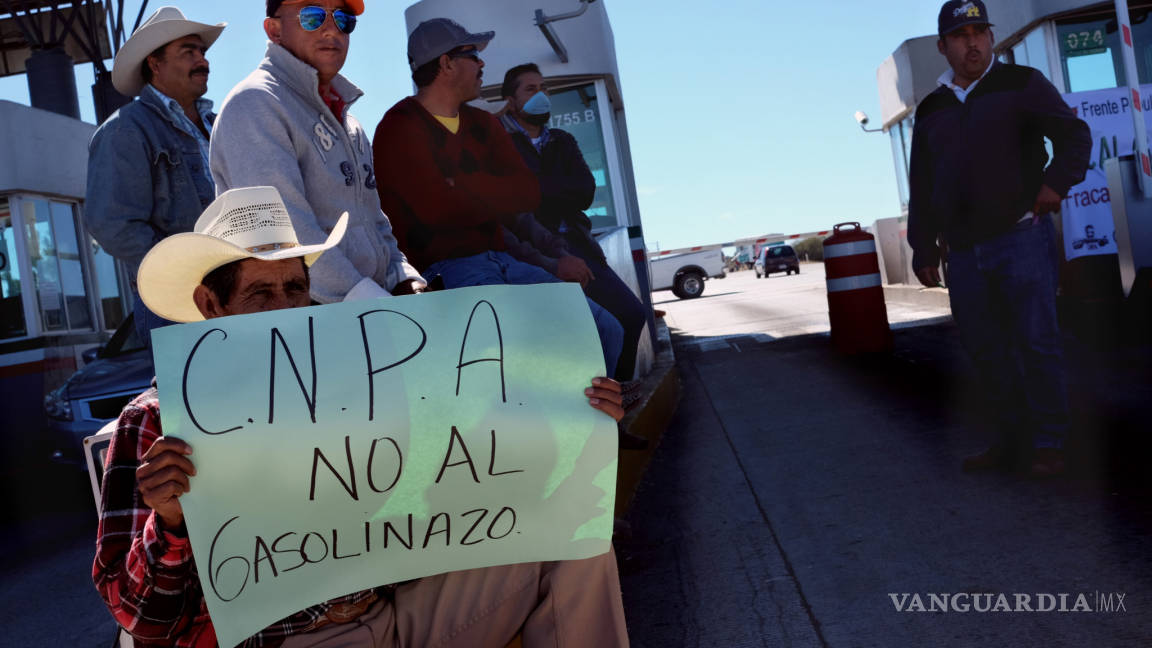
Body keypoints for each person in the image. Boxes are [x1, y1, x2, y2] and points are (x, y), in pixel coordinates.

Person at [92, 186, 630, 647]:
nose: (285, 311)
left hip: (399, 612)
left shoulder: (362, 381)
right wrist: (169, 522)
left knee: (576, 542)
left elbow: (465, 472)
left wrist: (571, 410)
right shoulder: (158, 422)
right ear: (210, 303)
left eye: (296, 289)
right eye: (261, 295)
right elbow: (145, 622)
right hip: (288, 639)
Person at [373, 18, 624, 377]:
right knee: (521, 359)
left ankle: (595, 429)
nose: (482, 64)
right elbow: (435, 211)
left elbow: (526, 193)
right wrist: (487, 191)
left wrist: (458, 183)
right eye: (473, 54)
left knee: (605, 330)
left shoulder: (483, 123)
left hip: (503, 259)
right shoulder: (398, 127)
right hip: (446, 271)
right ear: (445, 64)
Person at [907, 0, 1091, 477]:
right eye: (962, 35)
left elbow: (1075, 136)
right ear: (943, 46)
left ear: (991, 38)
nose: (974, 42)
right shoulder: (931, 110)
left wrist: (1055, 184)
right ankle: (1009, 442)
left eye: (981, 32)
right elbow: (922, 185)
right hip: (963, 252)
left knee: (1037, 341)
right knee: (986, 351)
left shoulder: (1022, 84)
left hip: (1020, 238)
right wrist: (923, 246)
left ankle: (1050, 443)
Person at [210, 0, 424, 304]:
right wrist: (372, 302)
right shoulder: (255, 103)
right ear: (274, 30)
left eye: (343, 19)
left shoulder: (350, 124)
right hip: (305, 322)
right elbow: (286, 232)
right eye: (312, 15)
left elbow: (373, 221)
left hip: (362, 310)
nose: (330, 28)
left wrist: (404, 278)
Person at [84, 6, 225, 345]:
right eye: (187, 52)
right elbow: (112, 224)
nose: (202, 60)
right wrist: (183, 273)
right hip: (177, 306)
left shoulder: (220, 124)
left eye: (202, 52)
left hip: (238, 292)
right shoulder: (125, 130)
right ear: (155, 64)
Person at [498, 63, 648, 382]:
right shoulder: (499, 140)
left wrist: (540, 192)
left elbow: (585, 192)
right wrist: (552, 191)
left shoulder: (562, 140)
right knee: (575, 336)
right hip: (534, 253)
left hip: (580, 247)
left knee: (631, 316)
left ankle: (617, 399)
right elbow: (514, 201)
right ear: (511, 100)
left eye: (544, 89)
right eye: (530, 89)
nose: (541, 96)